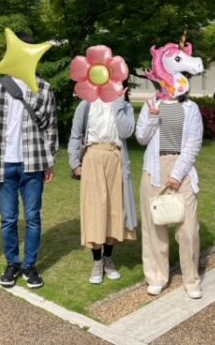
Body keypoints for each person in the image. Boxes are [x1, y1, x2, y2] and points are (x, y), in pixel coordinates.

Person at [0, 76, 58, 289]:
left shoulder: (43, 88)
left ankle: (29, 265)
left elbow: (51, 127)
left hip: (33, 163)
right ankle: (12, 264)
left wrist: (50, 162)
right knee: (8, 219)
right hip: (4, 163)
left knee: (33, 217)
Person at [135, 92, 204, 298]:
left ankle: (191, 280)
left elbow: (194, 143)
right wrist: (152, 117)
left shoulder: (191, 108)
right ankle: (156, 277)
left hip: (182, 168)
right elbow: (141, 138)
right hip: (154, 167)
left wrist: (177, 174)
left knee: (189, 229)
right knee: (154, 227)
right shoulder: (151, 103)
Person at [68, 85, 137, 284]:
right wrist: (75, 164)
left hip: (116, 158)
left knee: (114, 210)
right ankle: (97, 262)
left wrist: (119, 103)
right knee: (95, 211)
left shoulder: (124, 106)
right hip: (93, 157)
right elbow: (75, 135)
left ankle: (108, 258)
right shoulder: (86, 105)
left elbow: (126, 132)